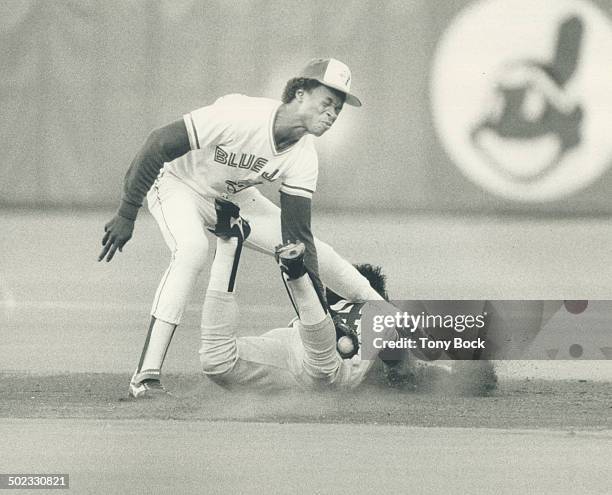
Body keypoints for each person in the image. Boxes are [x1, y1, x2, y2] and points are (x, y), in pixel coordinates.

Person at [97, 58, 383, 397]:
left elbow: (298, 240)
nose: (332, 114)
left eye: (337, 109)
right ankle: (145, 378)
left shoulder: (303, 157)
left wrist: (320, 314)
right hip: (177, 182)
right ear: (300, 94)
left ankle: (391, 320)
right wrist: (127, 212)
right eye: (327, 103)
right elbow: (158, 143)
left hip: (232, 195)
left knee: (319, 252)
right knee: (191, 250)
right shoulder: (241, 117)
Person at [199, 199, 395, 391]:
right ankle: (296, 275)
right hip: (316, 358)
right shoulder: (382, 315)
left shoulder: (353, 309)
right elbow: (401, 370)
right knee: (324, 374)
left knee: (218, 361)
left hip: (292, 346)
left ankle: (229, 241)